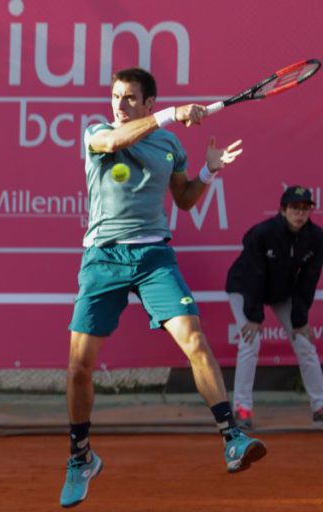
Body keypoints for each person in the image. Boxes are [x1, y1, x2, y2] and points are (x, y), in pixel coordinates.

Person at [60, 68, 266, 508]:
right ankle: (81, 457)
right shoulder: (96, 132)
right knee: (79, 366)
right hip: (103, 258)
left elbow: (185, 200)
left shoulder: (170, 145)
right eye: (116, 96)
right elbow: (116, 142)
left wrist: (208, 174)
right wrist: (174, 114)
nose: (120, 105)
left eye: (130, 98)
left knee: (194, 340)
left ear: (148, 102)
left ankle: (231, 437)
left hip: (154, 256)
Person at [226, 185, 323, 430]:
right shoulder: (261, 234)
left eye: (305, 209)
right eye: (294, 208)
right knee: (250, 340)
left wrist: (300, 320)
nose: (299, 214)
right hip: (244, 288)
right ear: (283, 210)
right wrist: (254, 315)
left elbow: (308, 280)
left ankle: (320, 406)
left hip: (281, 292)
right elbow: (253, 274)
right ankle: (242, 408)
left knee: (304, 343)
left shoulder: (317, 238)